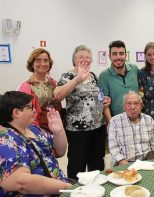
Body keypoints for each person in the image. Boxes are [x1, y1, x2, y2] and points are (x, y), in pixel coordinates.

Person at [54, 45, 110, 180]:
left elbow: (99, 95)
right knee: (77, 165)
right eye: (81, 57)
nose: (85, 60)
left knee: (97, 164)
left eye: (88, 57)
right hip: (77, 130)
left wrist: (105, 100)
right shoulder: (68, 76)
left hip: (98, 127)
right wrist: (78, 79)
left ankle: (97, 190)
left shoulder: (93, 76)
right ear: (74, 60)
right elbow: (57, 95)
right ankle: (76, 190)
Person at [0, 91, 71, 196]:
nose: (35, 110)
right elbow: (20, 183)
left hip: (58, 189)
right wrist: (65, 187)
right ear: (16, 113)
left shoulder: (34, 129)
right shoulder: (5, 139)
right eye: (30, 107)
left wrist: (58, 132)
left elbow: (60, 152)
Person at [108, 91, 154, 166]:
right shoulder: (115, 121)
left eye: (136, 103)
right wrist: (128, 167)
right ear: (124, 106)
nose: (132, 107)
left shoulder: (149, 120)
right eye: (129, 104)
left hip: (147, 163)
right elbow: (114, 150)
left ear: (141, 106)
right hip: (126, 164)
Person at [18, 48, 61, 132]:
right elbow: (27, 114)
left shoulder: (53, 82)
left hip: (56, 126)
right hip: (39, 130)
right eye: (38, 60)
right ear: (32, 63)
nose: (43, 63)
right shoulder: (26, 86)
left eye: (46, 60)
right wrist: (38, 132)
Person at [98, 40, 139, 123]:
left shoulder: (134, 69)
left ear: (126, 55)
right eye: (114, 54)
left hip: (136, 119)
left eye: (121, 53)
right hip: (116, 122)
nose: (118, 57)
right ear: (109, 56)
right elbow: (104, 103)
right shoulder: (104, 76)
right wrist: (110, 123)